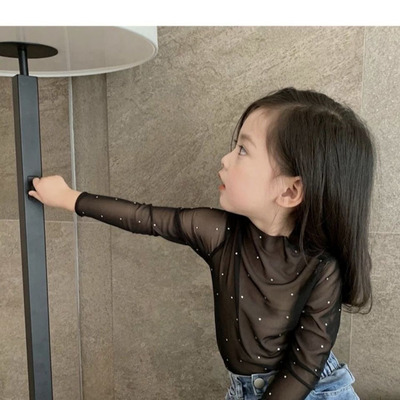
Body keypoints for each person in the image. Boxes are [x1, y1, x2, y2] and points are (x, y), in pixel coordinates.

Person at [28, 87, 376, 400]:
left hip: (317, 391)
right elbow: (145, 217)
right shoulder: (220, 233)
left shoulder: (323, 269)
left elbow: (303, 368)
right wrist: (69, 197)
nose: (225, 159)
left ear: (289, 191)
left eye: (243, 150)